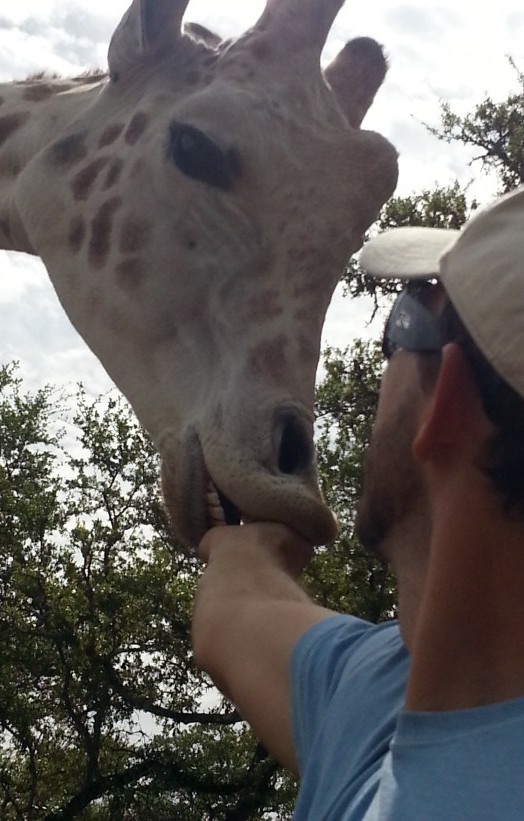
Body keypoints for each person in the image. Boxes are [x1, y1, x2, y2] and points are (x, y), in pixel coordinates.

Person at [192, 186, 524, 819]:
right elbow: (234, 610)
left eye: (401, 326)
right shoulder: (387, 686)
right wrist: (253, 537)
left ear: (446, 403)